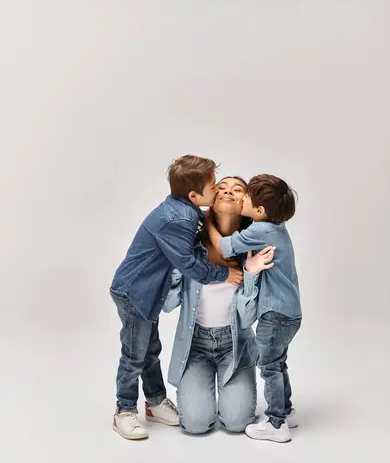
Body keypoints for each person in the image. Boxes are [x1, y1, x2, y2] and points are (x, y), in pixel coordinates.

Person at [110, 156, 243, 441]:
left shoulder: (187, 210)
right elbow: (190, 265)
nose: (218, 187)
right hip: (135, 292)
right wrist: (224, 276)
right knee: (135, 355)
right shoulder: (179, 218)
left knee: (149, 350)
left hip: (148, 292)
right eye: (212, 185)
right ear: (195, 196)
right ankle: (124, 410)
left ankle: (155, 401)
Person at [163, 177, 275, 435]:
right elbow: (168, 304)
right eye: (221, 187)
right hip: (196, 345)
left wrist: (249, 273)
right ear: (211, 199)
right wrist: (180, 265)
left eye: (237, 190)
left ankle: (230, 397)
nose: (227, 191)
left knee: (236, 423)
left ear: (246, 203)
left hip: (235, 346)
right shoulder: (191, 246)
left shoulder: (255, 250)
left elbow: (248, 319)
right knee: (195, 424)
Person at [206, 174, 301, 443]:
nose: (241, 196)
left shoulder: (260, 230)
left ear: (259, 211)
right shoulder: (278, 228)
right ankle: (287, 410)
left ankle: (275, 423)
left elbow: (224, 247)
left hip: (275, 313)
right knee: (278, 363)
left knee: (269, 366)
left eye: (245, 195)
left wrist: (208, 222)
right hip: (291, 312)